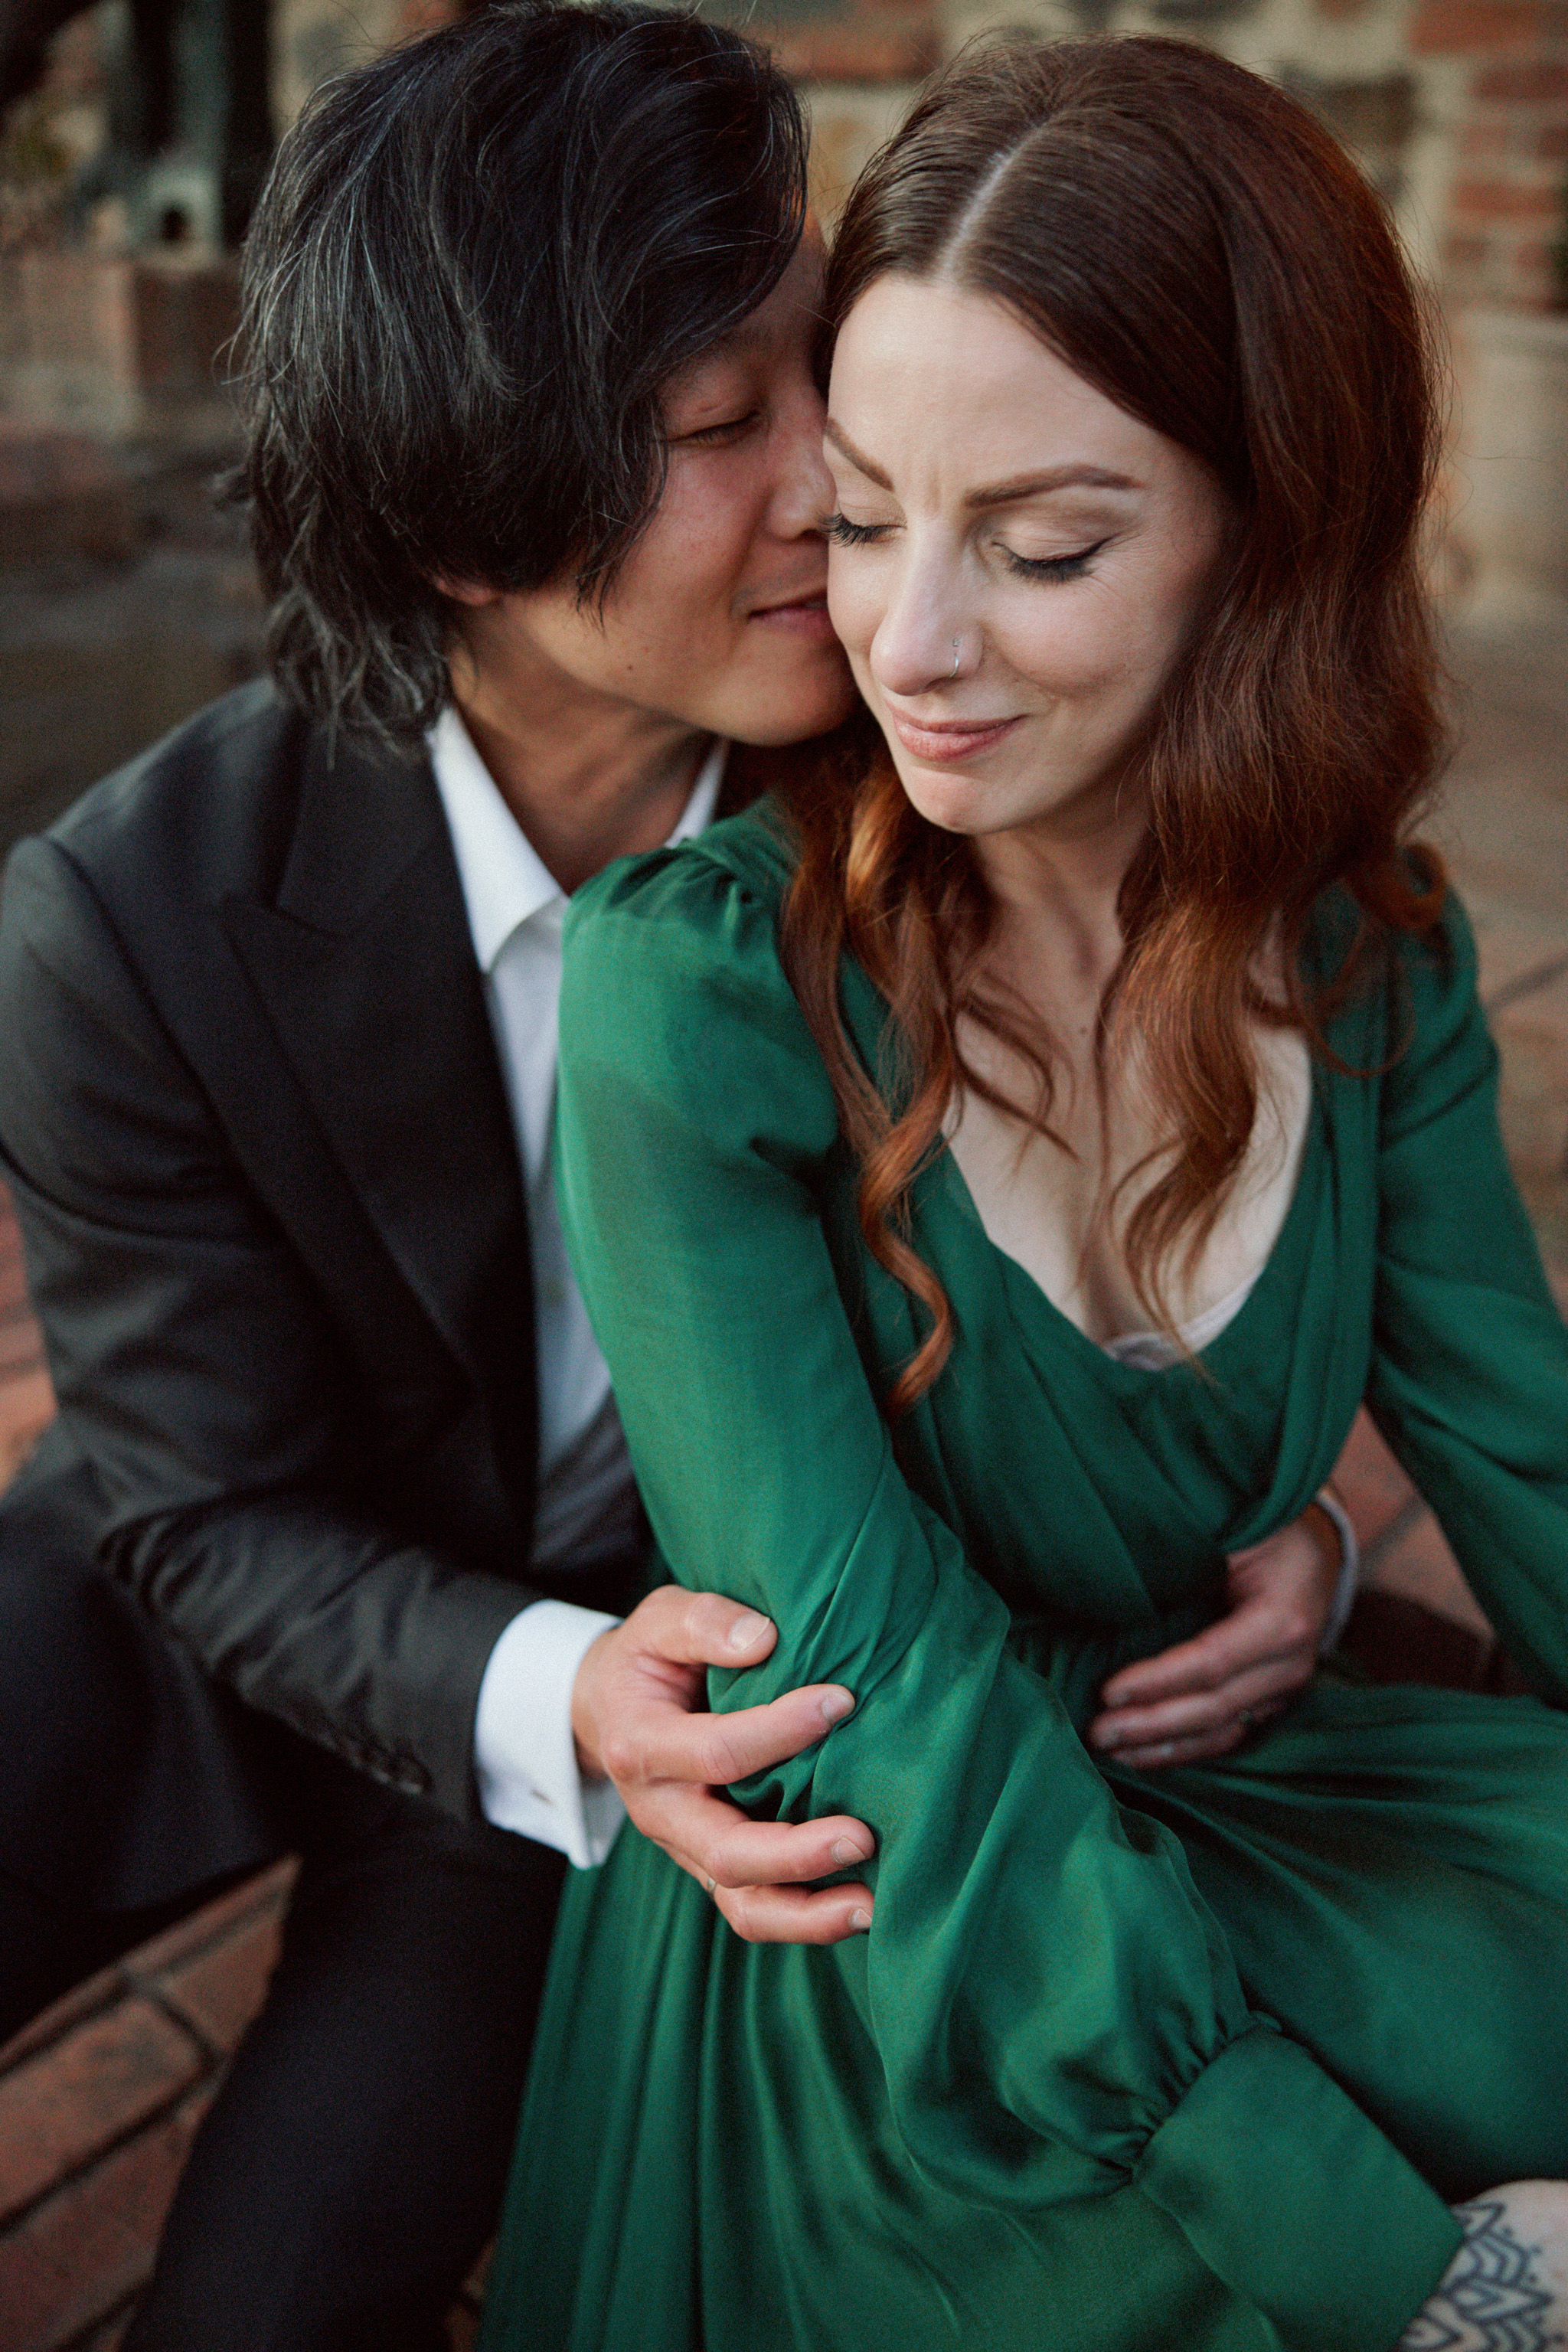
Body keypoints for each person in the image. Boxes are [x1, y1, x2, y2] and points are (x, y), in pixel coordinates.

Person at [0, 10, 1341, 2345]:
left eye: (821, 364)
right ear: (462, 526)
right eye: (727, 426)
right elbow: (199, 1508)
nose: (842, 482)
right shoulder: (123, 920)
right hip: (225, 1601)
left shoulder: (958, 781)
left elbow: (1162, 1206)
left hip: (650, 1720)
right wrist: (538, 1679)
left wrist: (1262, 1482)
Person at [478, 34, 1568, 2352]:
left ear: (1270, 534)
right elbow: (865, 1693)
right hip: (906, 1925)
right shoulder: (701, 997)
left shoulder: (1374, 953)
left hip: (1249, 1794)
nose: (910, 646)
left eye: (1044, 546)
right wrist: (1411, 2278)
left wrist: (1321, 1545)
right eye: (865, 518)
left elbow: (1533, 1457)